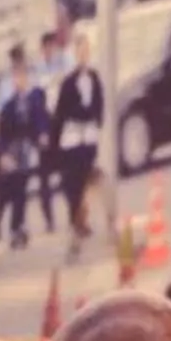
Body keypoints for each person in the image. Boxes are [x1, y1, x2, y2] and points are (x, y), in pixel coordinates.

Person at [52, 29, 107, 258]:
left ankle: (81, 220)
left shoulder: (94, 77)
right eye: (79, 50)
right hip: (72, 138)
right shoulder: (68, 82)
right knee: (72, 182)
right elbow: (61, 113)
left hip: (89, 137)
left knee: (87, 181)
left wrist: (96, 120)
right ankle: (75, 221)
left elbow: (99, 103)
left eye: (86, 50)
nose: (83, 54)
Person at [0, 46, 46, 250]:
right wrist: (2, 155)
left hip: (26, 150)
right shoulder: (8, 107)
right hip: (13, 150)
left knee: (22, 190)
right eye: (17, 76)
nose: (20, 80)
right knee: (12, 191)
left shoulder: (34, 100)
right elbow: (2, 134)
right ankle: (12, 227)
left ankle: (19, 226)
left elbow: (40, 121)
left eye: (23, 76)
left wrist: (41, 135)